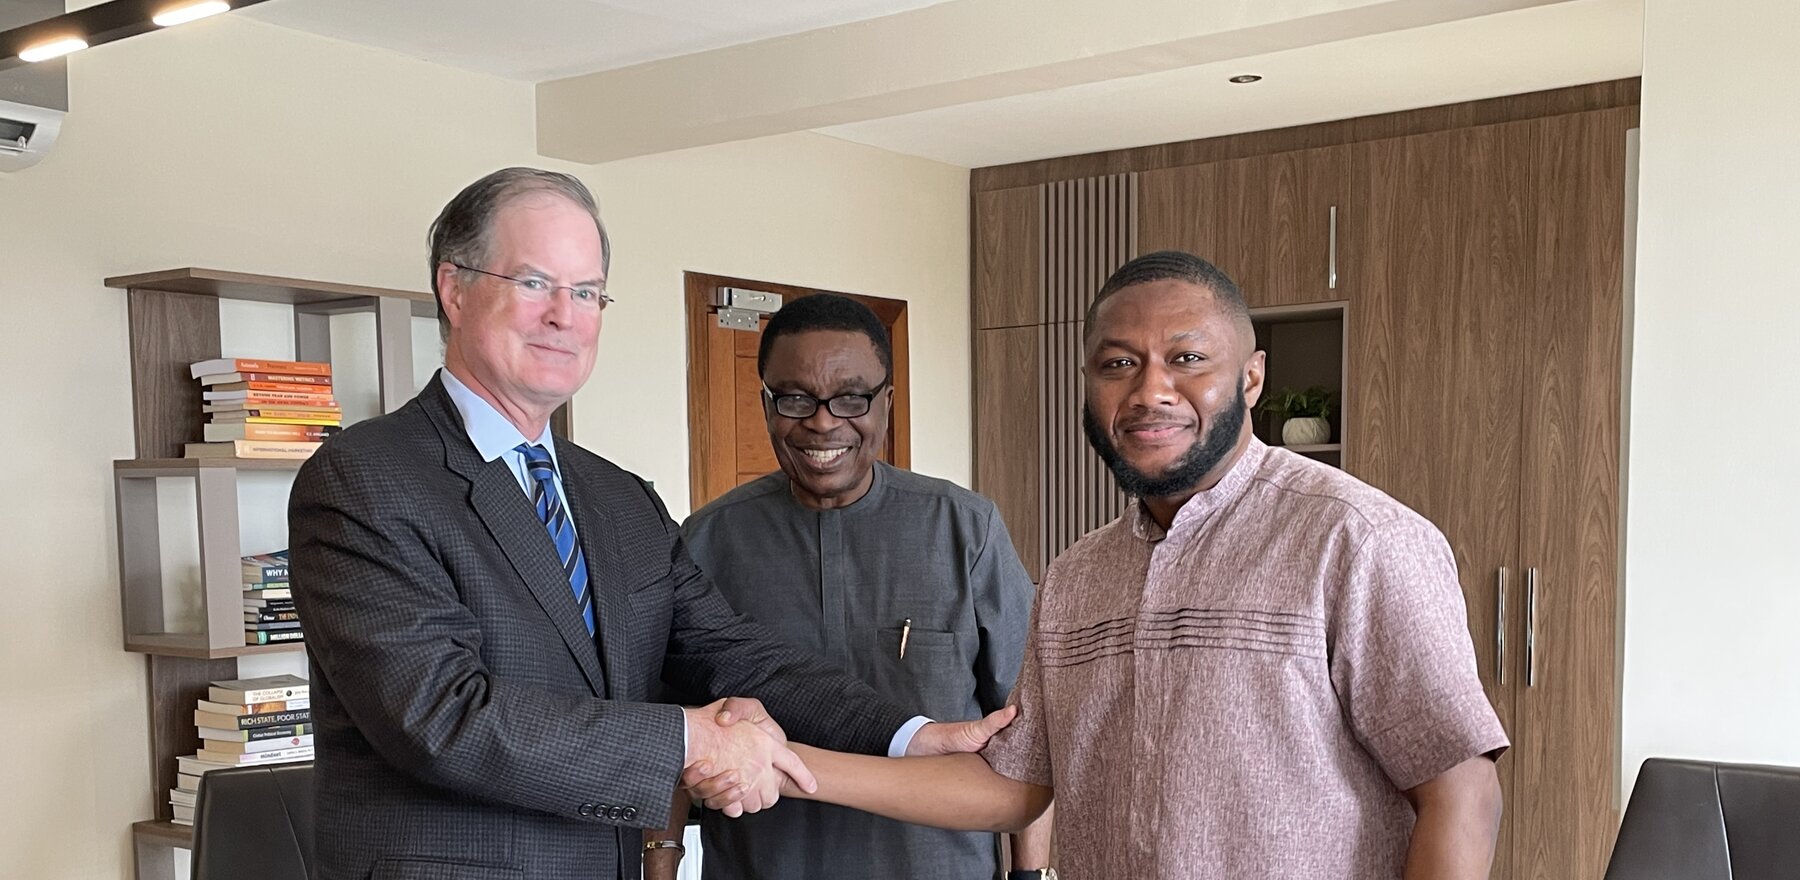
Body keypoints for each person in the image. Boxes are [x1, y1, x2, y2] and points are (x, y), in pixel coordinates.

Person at [687, 250, 1510, 879]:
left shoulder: (1355, 539)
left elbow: (1459, 789)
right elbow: (1014, 786)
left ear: (1252, 378)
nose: (1150, 390)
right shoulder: (1080, 574)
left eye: (1187, 359)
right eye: (1118, 364)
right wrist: (780, 764)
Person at [288, 167, 1007, 880]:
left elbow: (730, 655)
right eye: (534, 283)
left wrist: (910, 735)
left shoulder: (618, 496)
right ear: (454, 288)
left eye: (586, 291)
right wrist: (691, 741)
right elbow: (443, 716)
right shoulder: (365, 479)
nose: (565, 316)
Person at [644, 294, 1054, 880]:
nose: (822, 421)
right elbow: (674, 724)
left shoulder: (966, 529)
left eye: (851, 398)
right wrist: (660, 866)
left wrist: (1030, 875)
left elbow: (1026, 731)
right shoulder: (707, 541)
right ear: (765, 404)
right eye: (794, 398)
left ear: (887, 402)